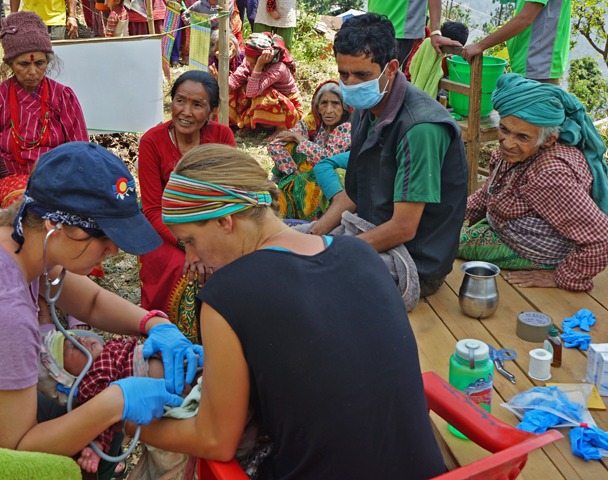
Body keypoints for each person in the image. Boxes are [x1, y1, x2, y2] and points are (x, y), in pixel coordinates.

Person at [0, 142, 203, 480]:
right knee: (106, 408)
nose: (113, 249)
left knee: (102, 402)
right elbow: (15, 449)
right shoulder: (2, 313)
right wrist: (115, 402)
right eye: (103, 235)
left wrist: (152, 323)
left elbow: (89, 302)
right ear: (54, 226)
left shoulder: (2, 229)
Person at [129, 144, 446, 479]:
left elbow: (215, 440)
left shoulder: (227, 295)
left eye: (189, 241)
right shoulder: (360, 252)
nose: (190, 258)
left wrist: (126, 422)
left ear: (225, 221)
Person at [310, 13, 468, 297]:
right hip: (373, 234)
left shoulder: (420, 128)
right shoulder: (366, 111)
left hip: (413, 261)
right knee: (292, 246)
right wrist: (315, 233)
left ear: (392, 68)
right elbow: (355, 193)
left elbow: (404, 228)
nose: (350, 84)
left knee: (312, 284)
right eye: (343, 74)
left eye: (362, 75)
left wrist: (333, 252)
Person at [459, 74, 608, 291]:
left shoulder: (550, 175)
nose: (508, 143)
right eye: (504, 129)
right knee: (441, 225)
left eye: (522, 137)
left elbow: (603, 238)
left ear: (548, 140)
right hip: (503, 225)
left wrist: (560, 277)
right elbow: (489, 191)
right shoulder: (515, 153)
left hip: (530, 249)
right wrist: (458, 216)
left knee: (439, 240)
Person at [138, 72, 236, 342]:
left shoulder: (222, 136)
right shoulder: (151, 142)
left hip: (213, 226)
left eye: (197, 104)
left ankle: (222, 339)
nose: (186, 112)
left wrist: (209, 243)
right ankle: (175, 338)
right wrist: (190, 245)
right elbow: (152, 211)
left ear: (212, 111)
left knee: (230, 265)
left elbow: (230, 195)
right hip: (166, 230)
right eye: (180, 101)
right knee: (182, 268)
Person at [0, 11, 87, 212]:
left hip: (60, 184)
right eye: (24, 64)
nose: (32, 71)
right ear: (9, 64)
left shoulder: (63, 97)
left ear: (47, 62)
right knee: (28, 217)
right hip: (13, 188)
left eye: (39, 63)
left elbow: (81, 153)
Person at [37, 330, 193, 474]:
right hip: (168, 392)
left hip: (168, 360)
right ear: (68, 377)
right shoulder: (89, 385)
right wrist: (99, 445)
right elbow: (101, 418)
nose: (80, 339)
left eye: (74, 337)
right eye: (72, 348)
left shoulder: (107, 348)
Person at [268, 80, 352, 221]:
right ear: (317, 107)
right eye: (324, 103)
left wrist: (300, 139)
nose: (329, 110)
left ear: (344, 108)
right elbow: (275, 145)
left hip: (330, 177)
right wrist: (296, 173)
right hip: (306, 173)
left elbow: (328, 158)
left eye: (335, 103)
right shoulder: (313, 123)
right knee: (289, 146)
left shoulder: (346, 128)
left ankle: (321, 217)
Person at [228, 32, 303, 142]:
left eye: (253, 63)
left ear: (265, 58)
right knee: (235, 89)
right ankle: (251, 124)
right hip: (271, 104)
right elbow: (234, 80)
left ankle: (281, 128)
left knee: (263, 92)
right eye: (250, 63)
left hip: (289, 112)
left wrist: (258, 65)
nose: (250, 65)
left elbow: (252, 92)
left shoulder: (278, 68)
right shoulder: (249, 62)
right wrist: (217, 80)